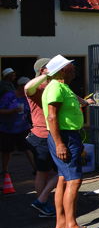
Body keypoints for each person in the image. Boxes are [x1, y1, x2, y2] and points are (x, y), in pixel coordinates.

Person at [43, 55, 96, 228]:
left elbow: (76, 101)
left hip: (68, 136)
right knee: (74, 180)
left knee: (63, 179)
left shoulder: (62, 87)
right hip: (64, 137)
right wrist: (60, 144)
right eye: (71, 66)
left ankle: (61, 223)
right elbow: (52, 117)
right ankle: (71, 226)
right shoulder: (56, 88)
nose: (74, 68)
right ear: (62, 70)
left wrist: (85, 102)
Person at [25, 58, 58, 218]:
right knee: (59, 172)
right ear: (43, 70)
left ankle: (43, 201)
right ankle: (42, 201)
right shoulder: (37, 86)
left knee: (47, 172)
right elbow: (27, 88)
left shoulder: (52, 85)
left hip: (47, 134)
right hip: (43, 136)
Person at [0, 77, 36, 186]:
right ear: (21, 86)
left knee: (28, 148)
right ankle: (5, 171)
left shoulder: (28, 97)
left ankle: (36, 169)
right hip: (7, 128)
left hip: (23, 127)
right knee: (7, 150)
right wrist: (12, 110)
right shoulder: (9, 96)